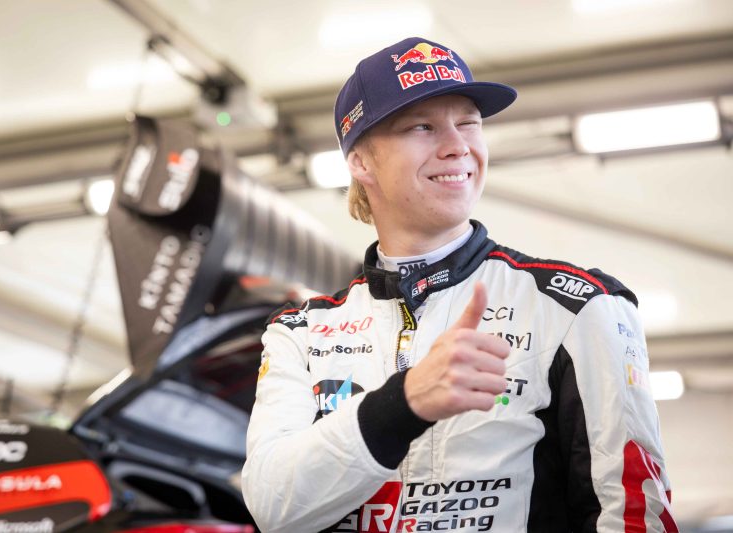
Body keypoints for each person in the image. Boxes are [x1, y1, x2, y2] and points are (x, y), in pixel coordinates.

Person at [242, 36, 677, 533]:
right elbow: (273, 508)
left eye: (469, 123)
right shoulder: (299, 331)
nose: (458, 145)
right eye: (422, 127)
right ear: (361, 162)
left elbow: (633, 515)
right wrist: (404, 403)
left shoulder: (576, 308)